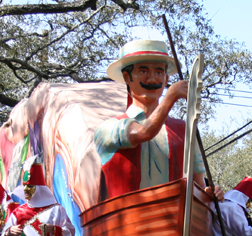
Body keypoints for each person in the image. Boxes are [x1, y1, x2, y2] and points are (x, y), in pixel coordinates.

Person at [95, 39, 222, 201]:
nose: (152, 79)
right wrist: (171, 97)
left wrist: (209, 194)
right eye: (143, 71)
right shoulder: (108, 129)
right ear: (127, 77)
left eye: (159, 72)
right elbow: (143, 132)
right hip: (126, 216)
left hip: (173, 215)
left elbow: (198, 185)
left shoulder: (184, 130)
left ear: (166, 79)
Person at [1, 156, 75, 236]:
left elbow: (70, 233)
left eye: (30, 186)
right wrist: (9, 232)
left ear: (39, 188)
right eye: (24, 186)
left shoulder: (56, 210)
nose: (25, 189)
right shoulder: (18, 213)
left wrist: (53, 230)